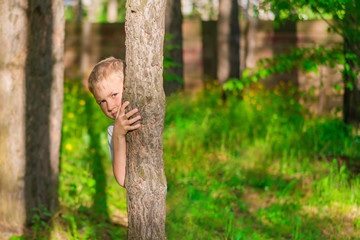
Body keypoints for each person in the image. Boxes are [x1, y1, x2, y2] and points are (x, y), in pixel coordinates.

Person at [87, 57, 141, 187]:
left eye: (114, 95)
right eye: (102, 102)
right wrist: (118, 135)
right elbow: (123, 179)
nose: (110, 107)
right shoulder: (113, 130)